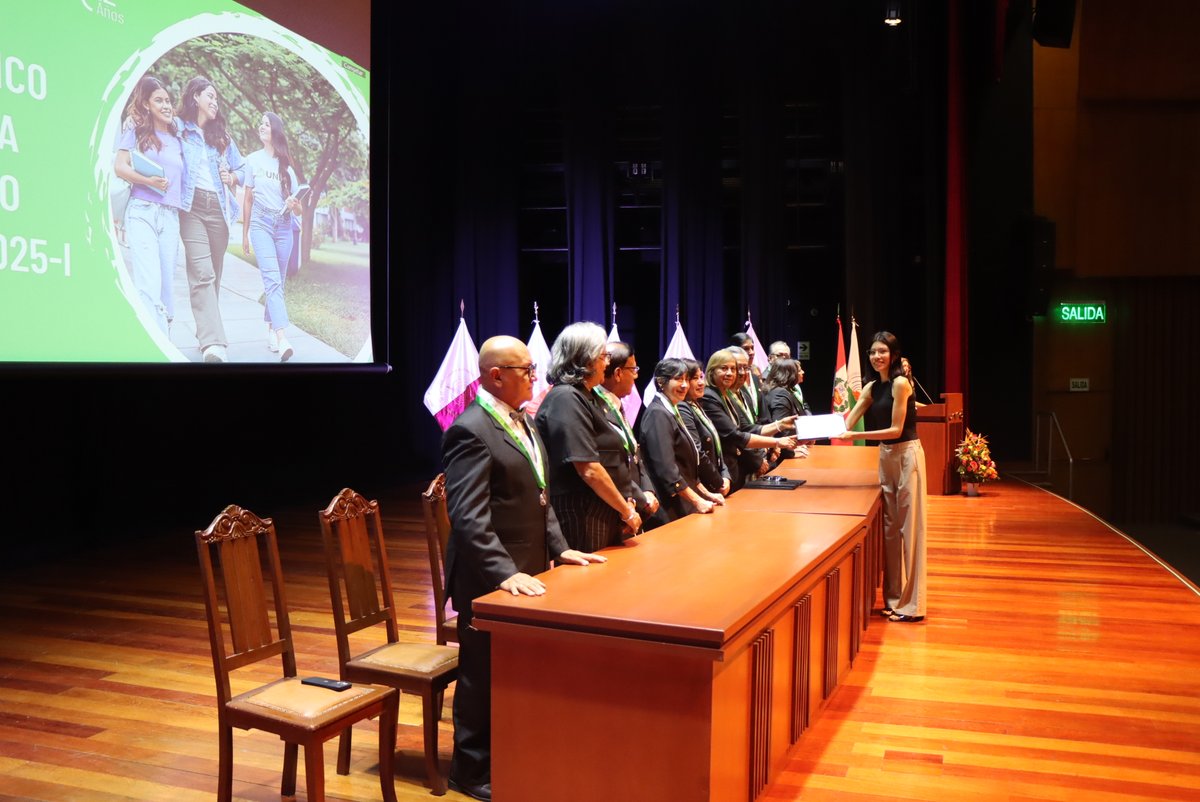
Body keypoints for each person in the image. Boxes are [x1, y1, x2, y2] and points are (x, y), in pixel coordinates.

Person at [442, 335, 606, 801]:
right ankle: (469, 771)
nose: (536, 378)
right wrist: (502, 571)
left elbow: (539, 494)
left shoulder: (524, 423)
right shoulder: (471, 430)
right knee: (482, 673)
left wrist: (561, 547)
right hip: (487, 577)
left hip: (529, 567)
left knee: (517, 672)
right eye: (527, 370)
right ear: (497, 376)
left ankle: (513, 751)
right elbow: (469, 517)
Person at [839, 331, 927, 623]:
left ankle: (912, 606)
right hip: (886, 457)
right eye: (873, 352)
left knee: (910, 530)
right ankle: (893, 599)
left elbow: (895, 430)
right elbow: (846, 421)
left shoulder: (901, 383)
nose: (877, 356)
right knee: (890, 530)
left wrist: (856, 434)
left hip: (906, 454)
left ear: (894, 354)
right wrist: (808, 429)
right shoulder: (872, 387)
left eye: (883, 352)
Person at [534, 322, 642, 551]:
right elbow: (589, 468)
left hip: (602, 510)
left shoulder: (588, 396)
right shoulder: (566, 398)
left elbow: (613, 456)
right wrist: (625, 509)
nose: (608, 362)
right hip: (582, 514)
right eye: (603, 355)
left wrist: (626, 498)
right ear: (585, 359)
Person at [177, 76, 244, 363]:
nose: (215, 102)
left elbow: (243, 170)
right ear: (195, 98)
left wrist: (233, 177)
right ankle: (214, 344)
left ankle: (205, 331)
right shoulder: (180, 129)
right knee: (202, 273)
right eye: (210, 96)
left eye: (217, 98)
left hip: (218, 210)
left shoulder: (223, 138)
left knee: (213, 276)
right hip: (191, 208)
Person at [113, 76, 183, 335]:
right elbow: (120, 167)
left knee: (165, 285)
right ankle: (154, 347)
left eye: (168, 100)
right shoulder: (136, 131)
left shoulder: (179, 139)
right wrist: (147, 180)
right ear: (147, 105)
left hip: (170, 216)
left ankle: (163, 336)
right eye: (158, 100)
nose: (166, 105)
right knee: (148, 282)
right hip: (142, 210)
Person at [241, 112, 303, 362]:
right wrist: (245, 233)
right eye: (260, 123)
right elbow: (247, 198)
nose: (261, 127)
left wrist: (293, 203)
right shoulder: (252, 160)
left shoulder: (287, 166)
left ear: (275, 131)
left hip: (284, 226)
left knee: (279, 281)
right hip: (260, 224)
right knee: (272, 279)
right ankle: (281, 336)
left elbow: (299, 209)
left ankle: (270, 328)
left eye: (266, 124)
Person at [699, 348, 797, 492]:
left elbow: (747, 428)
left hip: (735, 471)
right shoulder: (710, 396)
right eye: (724, 368)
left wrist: (780, 425)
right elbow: (735, 435)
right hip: (725, 473)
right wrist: (777, 442)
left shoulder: (725, 394)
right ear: (711, 371)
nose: (730, 373)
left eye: (733, 369)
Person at [638, 358, 720, 522]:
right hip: (668, 507)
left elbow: (686, 467)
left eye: (685, 379)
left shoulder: (672, 409)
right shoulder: (658, 414)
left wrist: (706, 494)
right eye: (678, 379)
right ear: (661, 382)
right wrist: (697, 501)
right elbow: (667, 470)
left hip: (683, 502)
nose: (684, 385)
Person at [596, 342, 660, 524]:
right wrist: (641, 497)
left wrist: (648, 490)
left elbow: (634, 454)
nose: (637, 375)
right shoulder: (595, 408)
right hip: (615, 511)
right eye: (633, 369)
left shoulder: (617, 405)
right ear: (617, 373)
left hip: (637, 503)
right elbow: (609, 466)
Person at [677, 358, 731, 498]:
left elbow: (717, 447)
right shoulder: (683, 407)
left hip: (716, 482)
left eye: (701, 377)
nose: (701, 382)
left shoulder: (696, 404)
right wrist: (718, 482)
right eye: (695, 378)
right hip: (704, 486)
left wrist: (725, 475)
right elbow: (698, 452)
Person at [762, 358, 812, 459]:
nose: (803, 372)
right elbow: (780, 429)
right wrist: (791, 452)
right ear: (790, 374)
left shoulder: (785, 391)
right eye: (799, 370)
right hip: (781, 456)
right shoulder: (780, 394)